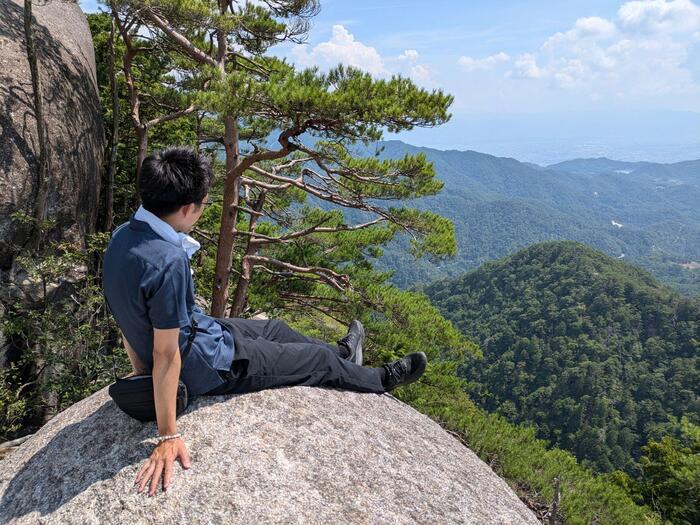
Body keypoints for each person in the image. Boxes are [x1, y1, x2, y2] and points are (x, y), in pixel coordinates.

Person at [102, 146, 427, 497]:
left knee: (276, 329)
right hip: (209, 365)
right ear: (186, 208)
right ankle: (379, 379)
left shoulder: (124, 237)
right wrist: (168, 435)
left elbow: (127, 317)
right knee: (317, 364)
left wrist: (140, 370)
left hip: (202, 332)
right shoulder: (166, 261)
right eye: (203, 203)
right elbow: (166, 354)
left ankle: (343, 354)